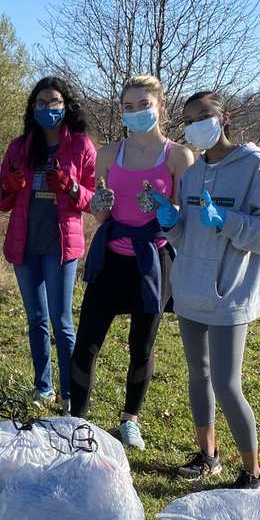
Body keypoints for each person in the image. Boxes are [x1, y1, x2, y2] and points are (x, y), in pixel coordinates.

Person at [156, 90, 260, 488]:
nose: (196, 125)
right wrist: (167, 221)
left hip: (229, 295)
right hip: (190, 289)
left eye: (204, 116)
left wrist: (226, 219)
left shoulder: (251, 167)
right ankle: (208, 457)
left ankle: (252, 471)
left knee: (227, 384)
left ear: (223, 117)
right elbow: (186, 236)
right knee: (198, 375)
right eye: (189, 119)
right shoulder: (192, 173)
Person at [70, 74, 193, 449]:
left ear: (160, 107)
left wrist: (167, 211)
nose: (136, 112)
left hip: (153, 261)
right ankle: (76, 421)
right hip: (112, 256)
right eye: (128, 107)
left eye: (144, 105)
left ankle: (129, 421)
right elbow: (101, 211)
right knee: (86, 342)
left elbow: (185, 217)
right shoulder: (108, 154)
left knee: (142, 345)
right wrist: (98, 207)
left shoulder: (178, 156)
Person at [0, 76, 96, 409]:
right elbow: (1, 201)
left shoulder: (81, 146)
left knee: (62, 321)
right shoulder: (19, 147)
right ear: (32, 108)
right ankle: (43, 387)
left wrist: (71, 187)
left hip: (61, 246)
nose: (47, 109)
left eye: (54, 103)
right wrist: (9, 184)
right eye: (40, 103)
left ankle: (69, 395)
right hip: (25, 246)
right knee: (35, 319)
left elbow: (94, 200)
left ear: (66, 106)